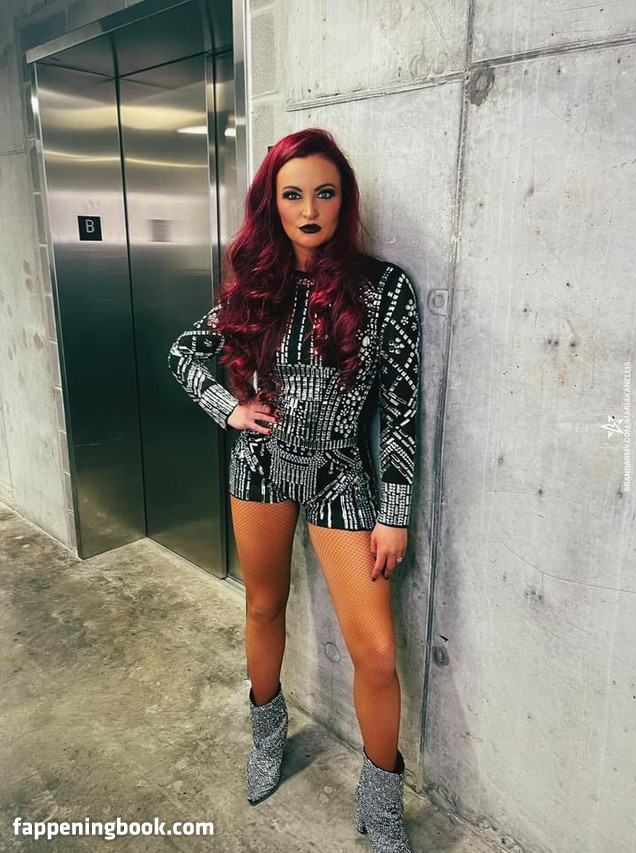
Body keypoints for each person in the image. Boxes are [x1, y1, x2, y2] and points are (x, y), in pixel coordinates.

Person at [168, 128, 421, 852]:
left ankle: (382, 803)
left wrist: (394, 511)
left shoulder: (385, 289)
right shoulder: (256, 286)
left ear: (344, 200)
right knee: (262, 605)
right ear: (271, 204)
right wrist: (229, 408)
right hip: (259, 467)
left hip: (343, 473)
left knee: (377, 653)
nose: (309, 209)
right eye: (293, 194)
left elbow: (401, 409)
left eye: (324, 193)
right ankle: (267, 731)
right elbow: (183, 352)